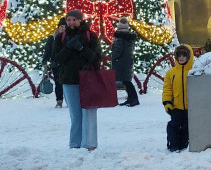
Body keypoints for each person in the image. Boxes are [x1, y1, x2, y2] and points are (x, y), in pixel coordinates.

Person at [52, 9, 102, 150]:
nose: (71, 22)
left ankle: (90, 143)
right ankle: (75, 143)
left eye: (74, 19)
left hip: (88, 78)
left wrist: (81, 48)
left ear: (80, 20)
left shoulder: (90, 36)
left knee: (89, 112)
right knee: (75, 114)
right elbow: (56, 59)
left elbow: (96, 57)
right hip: (69, 79)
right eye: (69, 20)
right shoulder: (61, 38)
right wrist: (68, 47)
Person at [162, 44, 193, 152]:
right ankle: (173, 145)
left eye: (184, 54)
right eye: (179, 55)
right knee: (174, 126)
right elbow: (167, 89)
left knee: (187, 127)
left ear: (189, 56)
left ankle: (184, 145)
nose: (181, 57)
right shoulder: (171, 73)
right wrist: (167, 102)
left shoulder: (193, 71)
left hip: (191, 107)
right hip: (176, 106)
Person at [110, 16, 140, 107]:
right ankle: (131, 98)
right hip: (127, 61)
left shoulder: (120, 38)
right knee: (126, 81)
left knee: (126, 81)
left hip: (121, 62)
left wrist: (113, 57)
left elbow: (118, 50)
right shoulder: (130, 38)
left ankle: (133, 98)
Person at [41, 19, 66, 108]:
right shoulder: (53, 38)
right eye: (61, 27)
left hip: (67, 64)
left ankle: (68, 99)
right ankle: (59, 100)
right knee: (58, 83)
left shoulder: (69, 37)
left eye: (65, 27)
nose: (63, 29)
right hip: (56, 63)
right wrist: (45, 61)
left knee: (68, 82)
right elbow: (47, 50)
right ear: (58, 28)